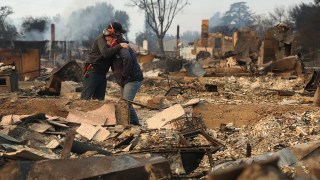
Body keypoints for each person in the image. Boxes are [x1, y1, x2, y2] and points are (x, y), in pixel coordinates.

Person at [104, 22, 144, 125]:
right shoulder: (116, 46)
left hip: (132, 79)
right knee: (126, 104)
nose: (106, 39)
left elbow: (127, 59)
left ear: (114, 36)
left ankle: (135, 124)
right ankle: (134, 123)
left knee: (125, 104)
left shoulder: (122, 47)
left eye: (108, 36)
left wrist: (124, 75)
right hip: (126, 80)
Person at [81, 22, 129, 101]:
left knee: (99, 100)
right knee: (85, 99)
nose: (120, 35)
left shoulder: (115, 40)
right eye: (119, 33)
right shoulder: (102, 39)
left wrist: (125, 45)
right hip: (93, 72)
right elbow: (105, 53)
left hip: (102, 74)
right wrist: (120, 45)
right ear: (114, 32)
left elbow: (124, 42)